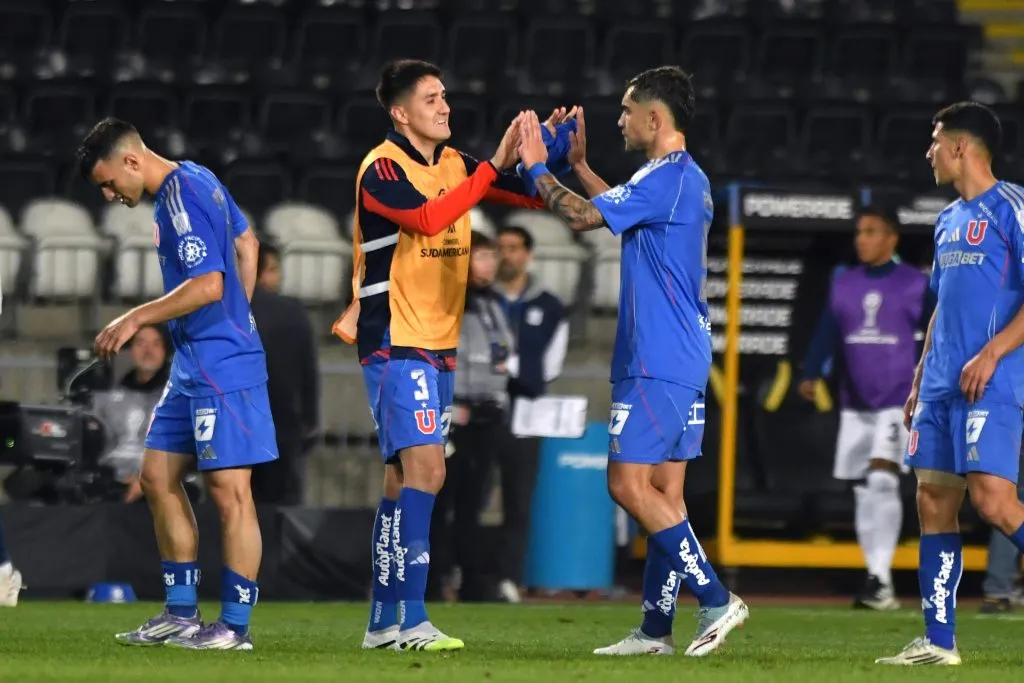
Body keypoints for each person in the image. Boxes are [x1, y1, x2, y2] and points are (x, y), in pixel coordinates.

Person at [331, 59, 575, 652]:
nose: (444, 106)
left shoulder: (455, 164)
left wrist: (550, 150)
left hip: (439, 344)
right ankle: (413, 620)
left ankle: (382, 624)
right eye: (432, 98)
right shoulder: (381, 167)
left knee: (399, 481)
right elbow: (427, 216)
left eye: (445, 97)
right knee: (429, 471)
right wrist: (496, 161)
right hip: (393, 339)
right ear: (400, 112)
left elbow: (534, 196)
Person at [517, 65, 748, 657]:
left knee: (626, 484)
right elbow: (616, 210)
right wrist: (582, 168)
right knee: (665, 494)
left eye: (625, 110)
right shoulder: (677, 178)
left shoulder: (667, 177)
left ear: (655, 117)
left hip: (657, 357)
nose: (619, 119)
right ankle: (654, 629)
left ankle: (717, 599)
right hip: (684, 355)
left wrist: (537, 165)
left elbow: (580, 218)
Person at [76, 117, 278, 651]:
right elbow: (248, 243)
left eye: (109, 182)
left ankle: (234, 627)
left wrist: (137, 317)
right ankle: (181, 614)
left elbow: (210, 284)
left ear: (133, 161)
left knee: (230, 493)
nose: (109, 194)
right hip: (194, 364)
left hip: (222, 368)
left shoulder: (182, 198)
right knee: (156, 476)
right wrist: (240, 315)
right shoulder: (196, 176)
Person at [876, 102, 1024, 666]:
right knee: (934, 502)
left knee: (994, 502)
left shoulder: (1013, 207)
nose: (928, 152)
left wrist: (992, 353)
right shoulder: (947, 220)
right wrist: (918, 378)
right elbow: (942, 306)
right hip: (940, 386)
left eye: (935, 141)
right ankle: (939, 643)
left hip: (993, 379)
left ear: (961, 146)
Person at [797, 206, 933, 611]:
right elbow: (828, 330)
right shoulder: (845, 283)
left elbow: (939, 329)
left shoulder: (916, 283)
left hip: (898, 398)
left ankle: (881, 579)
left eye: (871, 232)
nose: (862, 239)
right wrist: (810, 371)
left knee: (882, 480)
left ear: (891, 238)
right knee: (863, 489)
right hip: (855, 400)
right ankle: (878, 579)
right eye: (859, 232)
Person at [431, 231, 517, 602]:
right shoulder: (446, 303)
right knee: (438, 503)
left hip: (486, 418)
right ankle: (430, 583)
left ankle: (471, 583)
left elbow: (502, 358)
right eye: (481, 256)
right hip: (455, 418)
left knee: (473, 506)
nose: (489, 263)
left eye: (491, 256)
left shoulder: (492, 305)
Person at [492, 225, 569, 603]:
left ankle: (508, 576)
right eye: (501, 248)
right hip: (480, 410)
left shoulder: (550, 305)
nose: (507, 255)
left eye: (514, 248)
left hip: (526, 411)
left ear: (528, 254)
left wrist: (512, 367)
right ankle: (458, 570)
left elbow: (551, 365)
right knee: (464, 494)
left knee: (518, 499)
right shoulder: (475, 299)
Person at [249, 243, 319, 505]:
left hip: (237, 427)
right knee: (283, 507)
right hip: (284, 427)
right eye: (275, 269)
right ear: (264, 271)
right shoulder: (292, 311)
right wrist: (310, 420)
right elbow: (308, 370)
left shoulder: (225, 310)